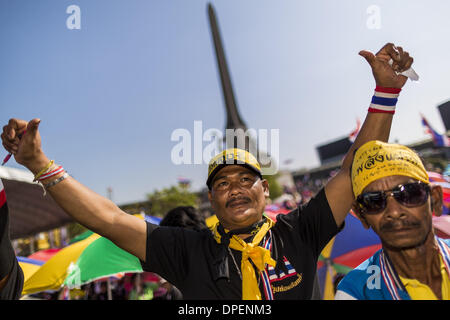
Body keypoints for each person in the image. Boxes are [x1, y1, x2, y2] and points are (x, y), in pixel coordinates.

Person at [0, 42, 414, 299]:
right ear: (211, 199)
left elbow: (354, 169)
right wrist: (39, 164)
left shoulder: (299, 231)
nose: (234, 189)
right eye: (222, 184)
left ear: (265, 191)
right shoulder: (188, 249)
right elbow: (108, 218)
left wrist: (386, 93)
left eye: (245, 179)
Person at [335, 141, 450, 300]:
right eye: (374, 201)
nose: (394, 212)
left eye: (410, 194)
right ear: (362, 215)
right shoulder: (355, 293)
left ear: (435, 199)